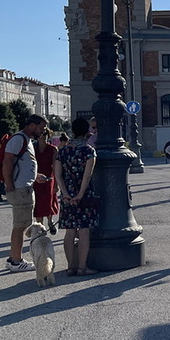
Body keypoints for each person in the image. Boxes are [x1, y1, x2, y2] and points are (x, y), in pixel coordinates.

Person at [54, 116, 99, 276]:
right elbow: (87, 176)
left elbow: (58, 175)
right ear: (87, 131)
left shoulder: (63, 151)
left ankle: (70, 267)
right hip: (85, 194)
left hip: (67, 195)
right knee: (84, 231)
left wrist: (66, 194)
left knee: (70, 231)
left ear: (72, 131)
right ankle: (82, 267)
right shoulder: (89, 151)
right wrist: (80, 195)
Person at [3, 114, 49, 272]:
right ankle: (16, 261)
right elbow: (7, 161)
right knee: (21, 226)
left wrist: (35, 176)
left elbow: (21, 164)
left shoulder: (25, 140)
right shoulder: (19, 139)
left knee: (21, 225)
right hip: (20, 189)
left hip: (24, 187)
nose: (43, 131)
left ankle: (13, 259)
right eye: (41, 128)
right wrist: (9, 184)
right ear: (31, 125)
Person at [34, 126, 60, 234]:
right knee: (37, 204)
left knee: (48, 202)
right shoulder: (33, 148)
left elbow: (55, 167)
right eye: (41, 134)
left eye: (45, 134)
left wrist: (56, 183)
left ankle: (50, 221)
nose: (43, 136)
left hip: (49, 179)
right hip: (36, 179)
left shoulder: (53, 149)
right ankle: (40, 227)